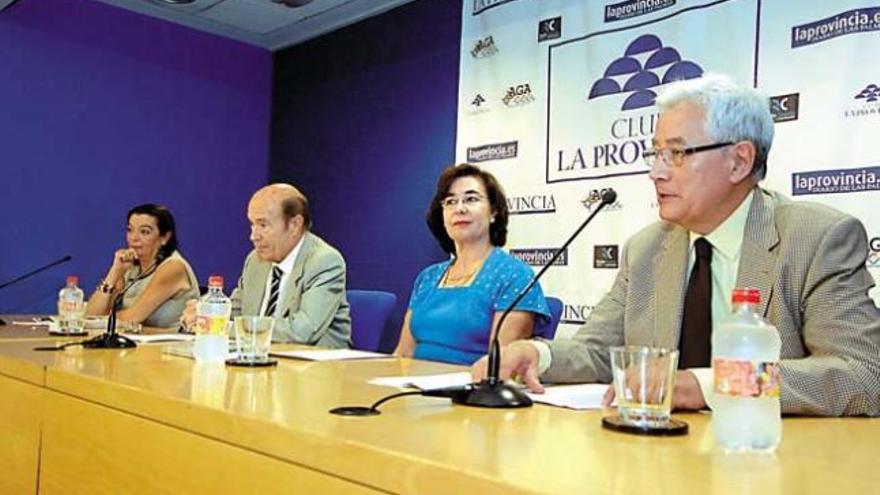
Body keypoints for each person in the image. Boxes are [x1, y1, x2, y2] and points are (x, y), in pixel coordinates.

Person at [473, 74, 880, 416]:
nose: (655, 172)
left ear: (739, 161)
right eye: (655, 153)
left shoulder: (816, 238)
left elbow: (863, 373)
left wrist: (707, 384)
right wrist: (536, 355)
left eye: (677, 154)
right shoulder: (647, 248)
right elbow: (599, 353)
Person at [394, 164, 550, 365]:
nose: (459, 208)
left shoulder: (515, 276)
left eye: (471, 199)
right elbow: (403, 353)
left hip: (470, 392)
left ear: (493, 212)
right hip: (412, 390)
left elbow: (501, 367)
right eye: (450, 201)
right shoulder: (428, 277)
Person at [184, 183, 351, 347]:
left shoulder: (324, 262)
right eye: (252, 224)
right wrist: (207, 312)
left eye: (263, 225)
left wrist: (223, 328)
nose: (253, 236)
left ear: (294, 224)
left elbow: (302, 331)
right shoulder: (255, 260)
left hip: (317, 369)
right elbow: (235, 311)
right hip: (259, 361)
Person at [87, 204, 199, 328]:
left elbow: (131, 319)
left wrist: (97, 322)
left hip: (172, 346)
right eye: (130, 230)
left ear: (165, 238)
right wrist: (114, 272)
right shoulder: (130, 268)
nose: (134, 238)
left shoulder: (173, 267)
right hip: (137, 344)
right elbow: (90, 315)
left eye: (144, 232)